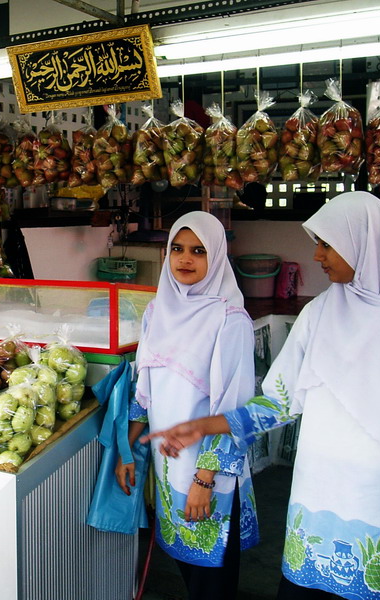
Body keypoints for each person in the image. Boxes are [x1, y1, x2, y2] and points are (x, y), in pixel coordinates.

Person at [144, 192, 380, 600]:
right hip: (313, 499)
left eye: (327, 244)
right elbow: (279, 402)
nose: (317, 256)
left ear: (363, 242)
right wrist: (207, 424)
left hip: (379, 509)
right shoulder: (319, 312)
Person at [115, 211, 259, 599]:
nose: (185, 259)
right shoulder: (157, 311)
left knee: (212, 580)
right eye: (177, 249)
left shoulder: (230, 321)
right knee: (187, 569)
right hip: (169, 467)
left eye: (198, 251)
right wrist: (126, 450)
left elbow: (235, 412)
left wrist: (204, 481)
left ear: (217, 258)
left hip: (207, 471)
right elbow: (144, 391)